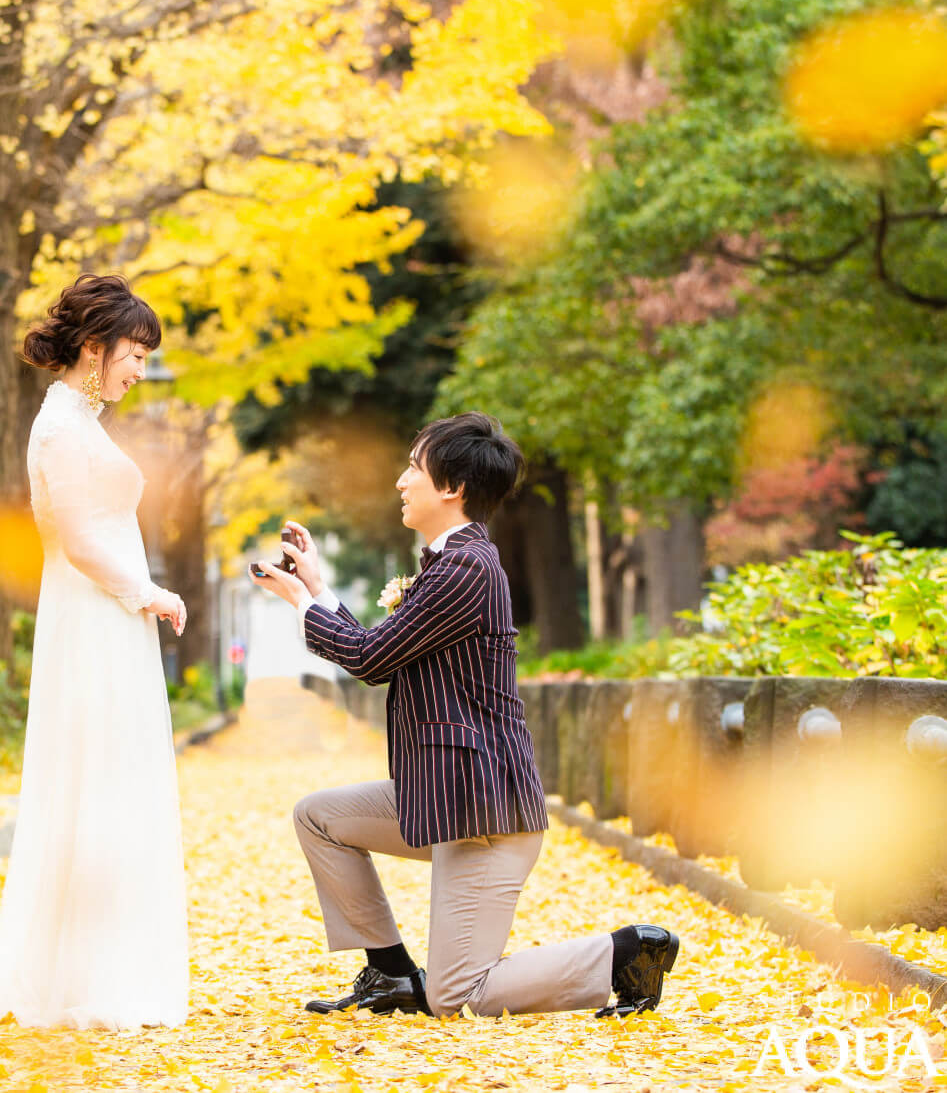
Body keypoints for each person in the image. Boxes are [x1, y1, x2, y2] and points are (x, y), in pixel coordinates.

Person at [250, 412, 679, 1020]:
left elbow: (369, 659)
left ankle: (625, 953)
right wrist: (316, 589)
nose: (401, 482)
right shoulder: (450, 565)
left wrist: (301, 600)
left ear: (451, 487)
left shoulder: (465, 568)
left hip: (484, 813)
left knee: (458, 995)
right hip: (444, 796)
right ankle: (392, 973)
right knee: (320, 818)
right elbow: (381, 649)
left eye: (413, 469)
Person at [0, 273, 189, 1031]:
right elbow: (77, 540)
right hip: (94, 618)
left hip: (107, 617)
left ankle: (106, 969)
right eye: (135, 354)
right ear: (95, 348)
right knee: (97, 783)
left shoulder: (79, 419)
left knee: (113, 783)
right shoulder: (61, 427)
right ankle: (88, 980)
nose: (139, 370)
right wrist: (149, 593)